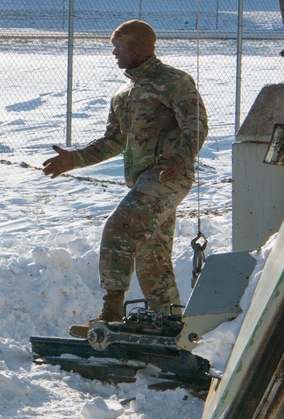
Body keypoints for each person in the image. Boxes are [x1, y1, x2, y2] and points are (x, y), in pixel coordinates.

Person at [42, 19, 208, 323]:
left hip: (168, 175)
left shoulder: (174, 81)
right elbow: (114, 141)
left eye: (118, 47)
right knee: (151, 256)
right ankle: (169, 326)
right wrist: (74, 160)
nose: (114, 54)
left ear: (136, 47)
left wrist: (181, 159)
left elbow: (195, 125)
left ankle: (112, 311)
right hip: (143, 181)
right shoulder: (123, 94)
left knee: (121, 227)